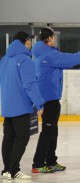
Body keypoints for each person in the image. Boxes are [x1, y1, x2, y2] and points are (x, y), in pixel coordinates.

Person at [31, 27, 80, 173]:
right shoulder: (48, 54)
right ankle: (38, 164)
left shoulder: (43, 52)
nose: (55, 40)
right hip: (48, 98)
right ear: (49, 39)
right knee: (48, 131)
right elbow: (72, 59)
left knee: (52, 130)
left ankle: (51, 161)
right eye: (54, 37)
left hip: (50, 97)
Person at [0, 31, 44, 179]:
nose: (31, 44)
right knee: (22, 137)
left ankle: (6, 170)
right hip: (20, 106)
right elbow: (30, 85)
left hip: (7, 105)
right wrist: (39, 103)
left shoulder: (4, 59)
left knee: (8, 137)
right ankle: (14, 169)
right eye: (30, 41)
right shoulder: (25, 61)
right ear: (26, 42)